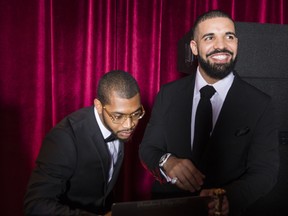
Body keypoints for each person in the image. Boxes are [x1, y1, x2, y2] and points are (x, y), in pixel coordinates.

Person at [139, 10, 279, 216]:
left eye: (229, 36)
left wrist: (228, 197)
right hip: (171, 209)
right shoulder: (168, 94)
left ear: (237, 43)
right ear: (194, 47)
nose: (221, 45)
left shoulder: (261, 104)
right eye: (210, 37)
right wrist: (167, 161)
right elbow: (148, 148)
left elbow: (265, 172)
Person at [24, 70, 145, 215]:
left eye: (136, 114)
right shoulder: (64, 138)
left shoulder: (120, 125)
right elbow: (35, 205)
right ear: (99, 106)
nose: (129, 125)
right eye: (118, 116)